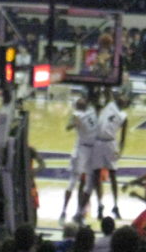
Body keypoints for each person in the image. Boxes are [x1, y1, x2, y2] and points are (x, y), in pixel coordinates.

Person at [88, 92, 128, 221]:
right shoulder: (109, 105)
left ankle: (115, 205)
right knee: (96, 174)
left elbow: (123, 138)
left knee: (113, 175)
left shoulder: (123, 116)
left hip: (111, 143)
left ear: (126, 104)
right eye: (122, 97)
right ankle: (100, 205)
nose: (122, 98)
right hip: (98, 142)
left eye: (125, 99)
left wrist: (120, 151)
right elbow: (109, 91)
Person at [63, 96, 97, 224]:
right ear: (76, 105)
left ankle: (80, 212)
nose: (82, 100)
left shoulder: (91, 110)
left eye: (83, 99)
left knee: (89, 183)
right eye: (78, 100)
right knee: (74, 181)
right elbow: (68, 126)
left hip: (93, 150)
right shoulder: (77, 114)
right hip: (81, 150)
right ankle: (64, 210)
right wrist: (74, 123)